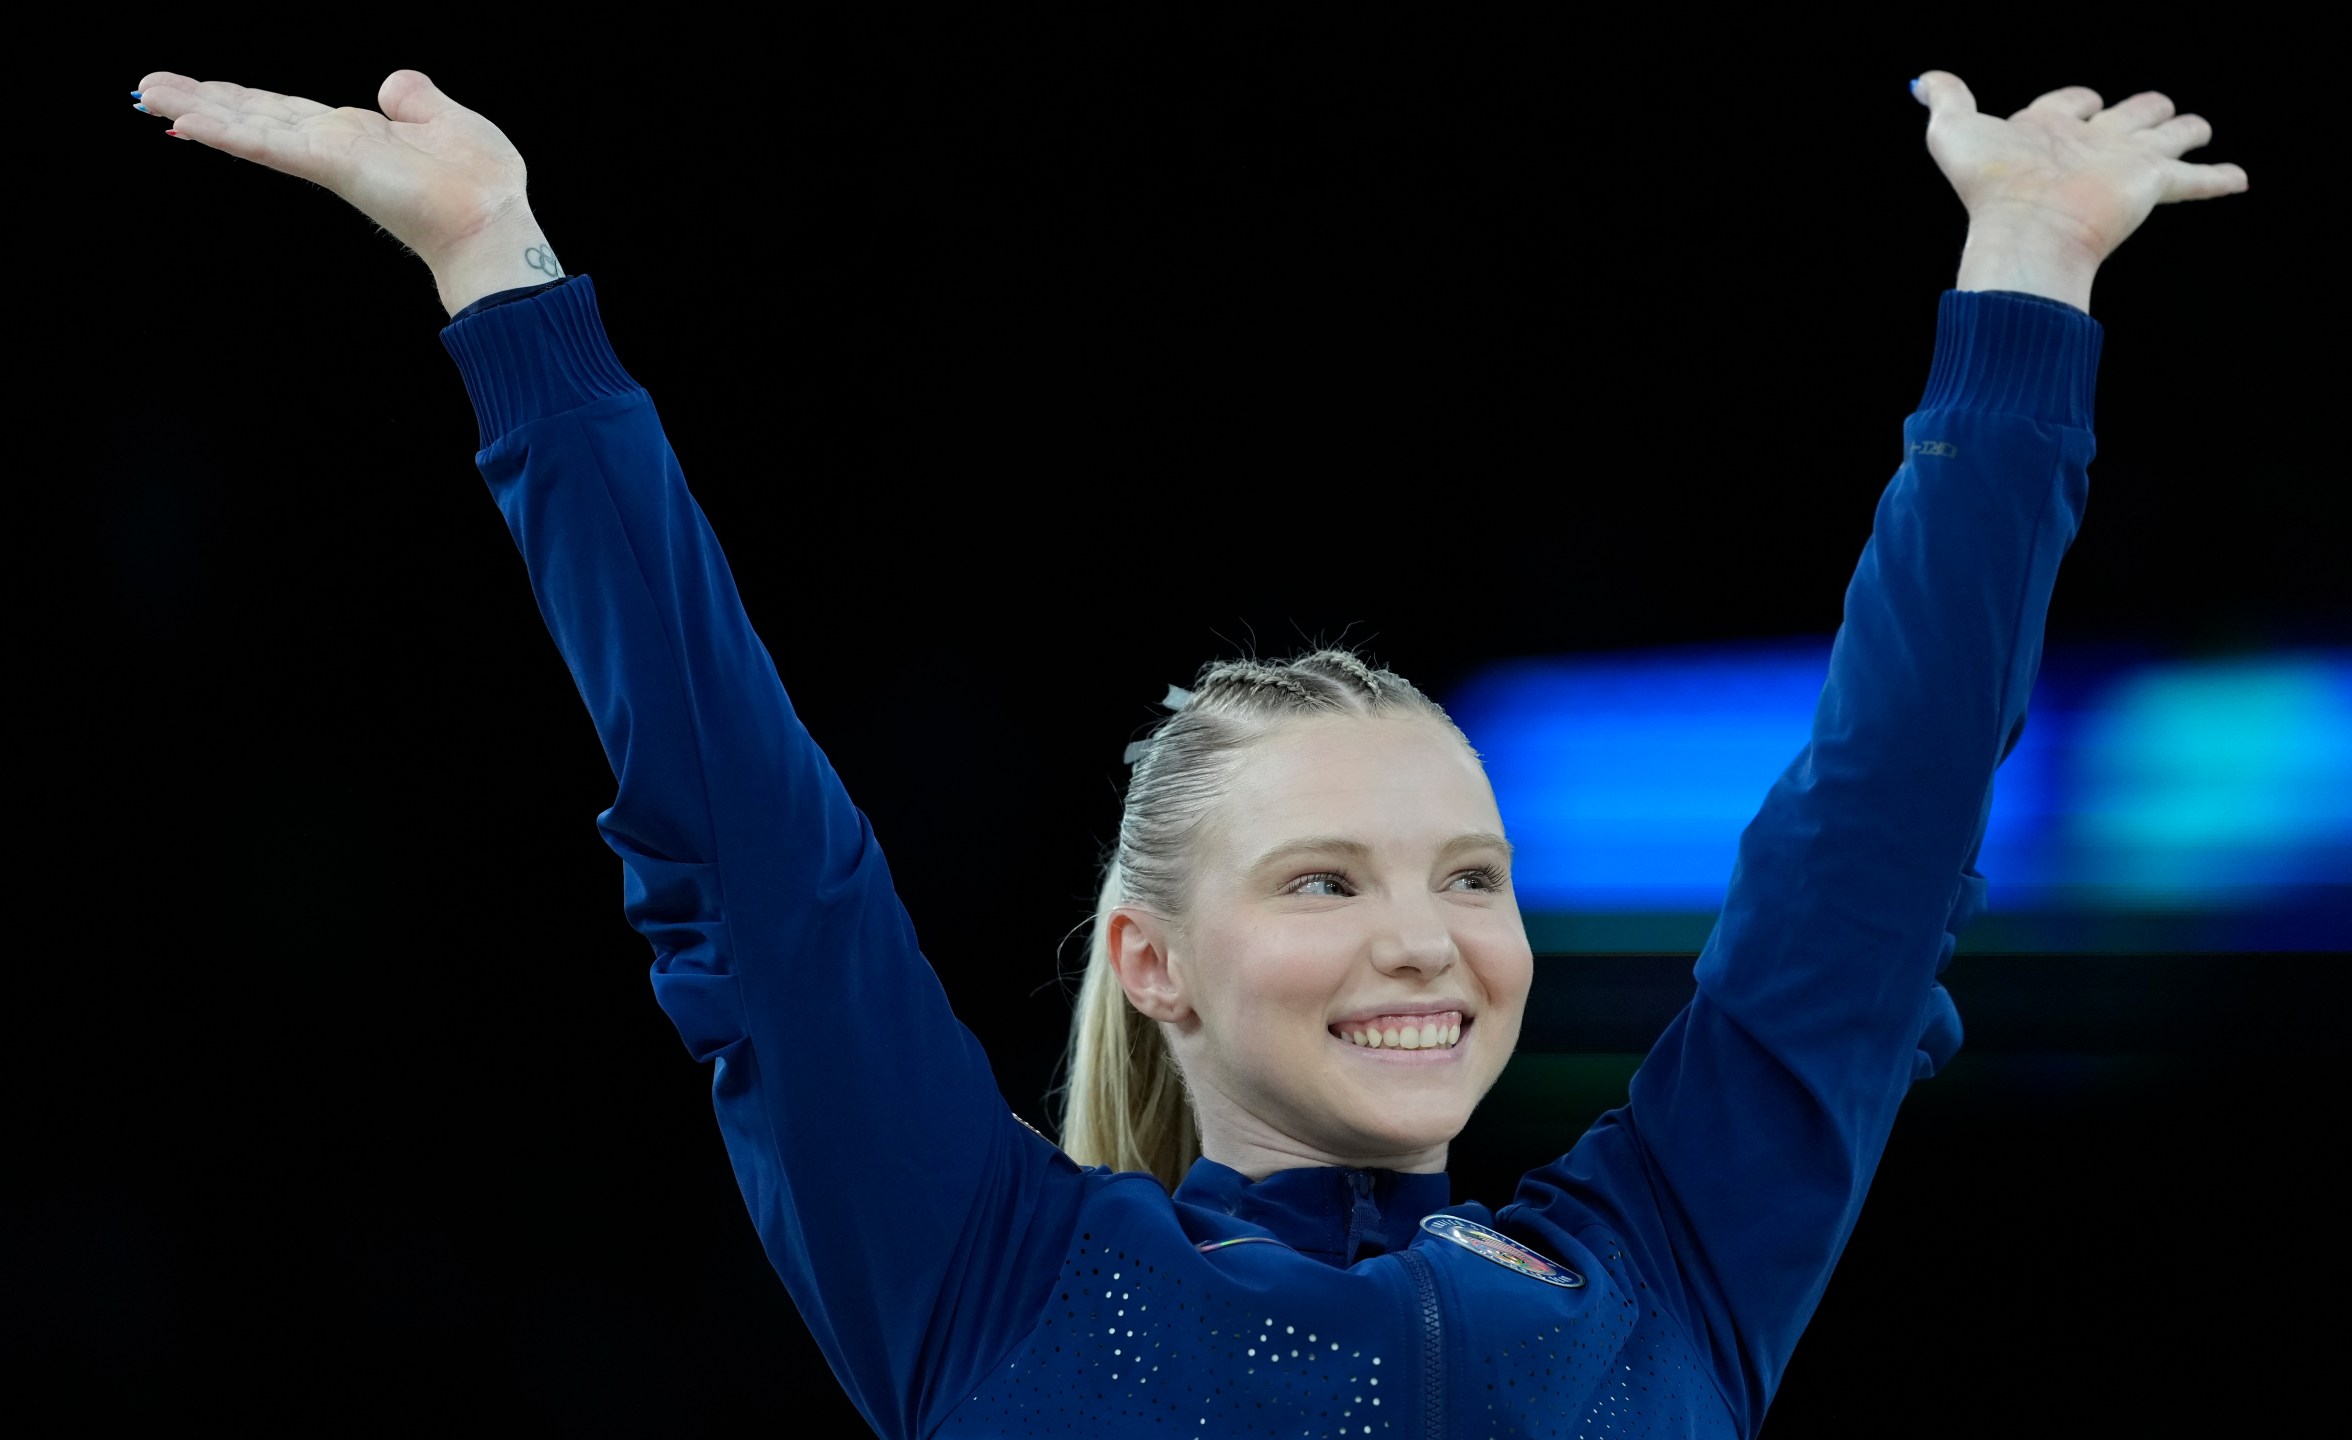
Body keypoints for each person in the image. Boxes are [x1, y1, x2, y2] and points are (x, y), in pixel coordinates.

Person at [130, 63, 2244, 1437]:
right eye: (1323, 882)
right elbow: (751, 858)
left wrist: (2024, 286)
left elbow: (1870, 851)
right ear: (1150, 957)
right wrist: (502, 281)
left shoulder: (1668, 1260)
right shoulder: (988, 1270)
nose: (1424, 941)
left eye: (1467, 876)